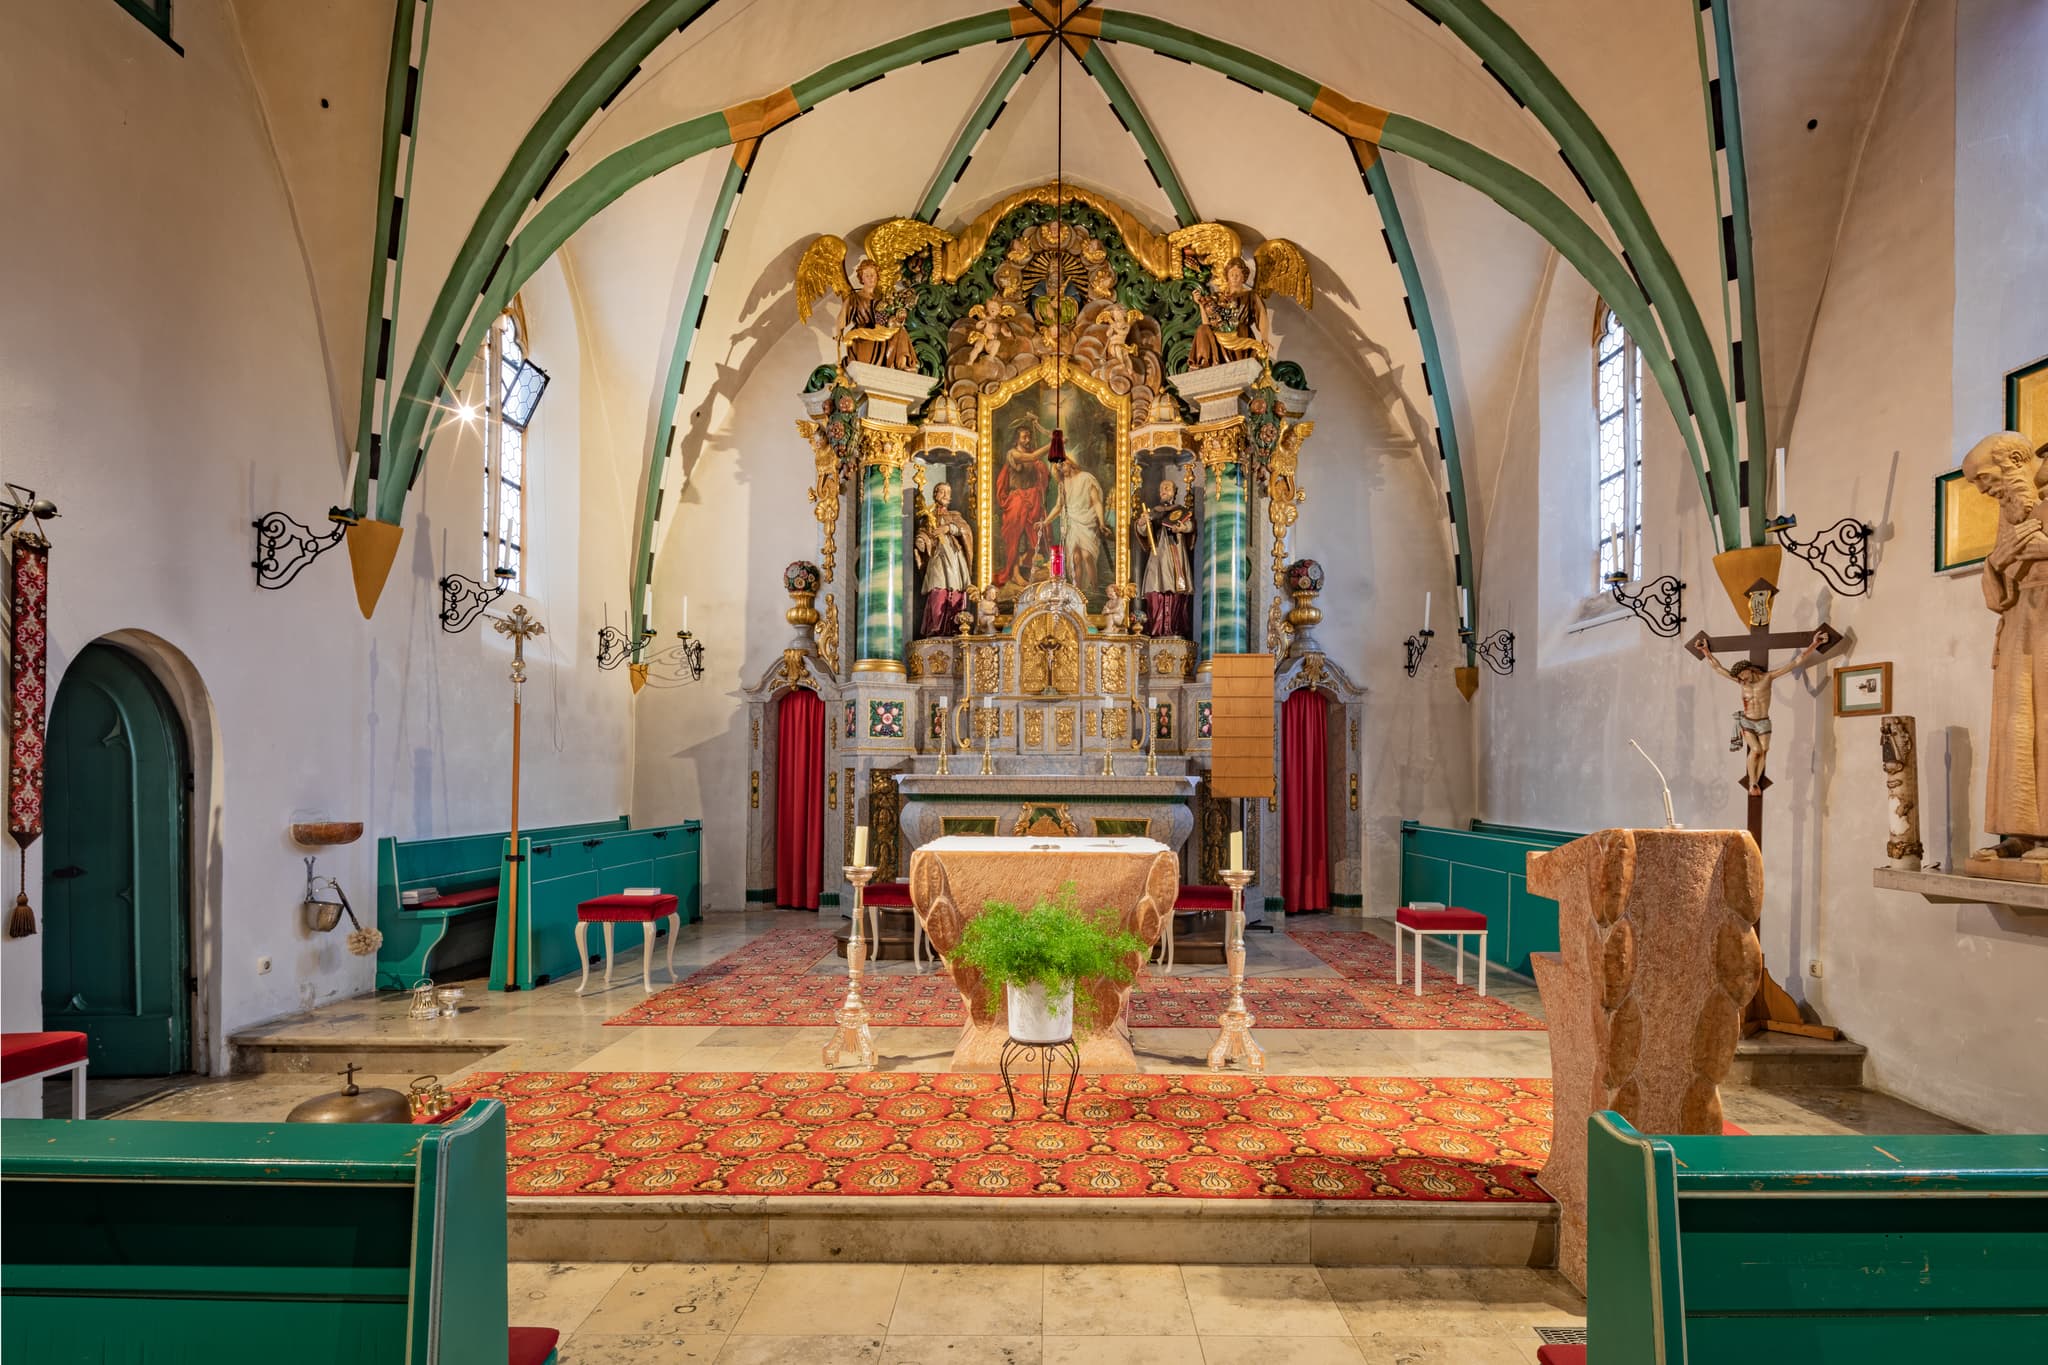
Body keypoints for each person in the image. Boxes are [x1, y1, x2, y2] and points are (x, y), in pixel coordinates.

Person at [1963, 431, 2048, 857]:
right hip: (2018, 626)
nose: (1983, 489)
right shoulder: (2013, 507)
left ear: (2016, 459)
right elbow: (1998, 593)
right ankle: (2022, 833)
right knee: (2015, 729)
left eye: (1985, 478)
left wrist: (2043, 549)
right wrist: (1995, 563)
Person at [1695, 630, 1830, 796]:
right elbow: (1718, 668)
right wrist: (1705, 651)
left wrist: (1815, 644)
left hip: (1763, 721)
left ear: (1749, 669)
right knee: (1757, 750)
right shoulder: (1741, 682)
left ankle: (1756, 783)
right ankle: (1752, 783)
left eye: (1743, 676)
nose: (1741, 680)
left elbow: (1795, 663)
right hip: (1747, 721)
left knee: (1765, 749)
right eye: (1739, 679)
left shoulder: (1768, 678)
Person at [994, 417, 1053, 586]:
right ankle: (1014, 573)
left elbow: (1039, 471)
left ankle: (1032, 567)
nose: (1027, 440)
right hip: (1016, 500)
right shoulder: (1013, 454)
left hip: (1032, 498)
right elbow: (1033, 456)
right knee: (1014, 536)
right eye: (1024, 437)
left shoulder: (1032, 458)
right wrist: (1054, 443)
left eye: (1029, 436)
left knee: (1039, 532)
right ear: (1017, 439)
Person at [1042, 453, 1110, 596]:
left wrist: (1102, 523)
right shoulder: (1062, 484)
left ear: (1070, 462)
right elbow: (1059, 506)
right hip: (1072, 522)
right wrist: (1045, 522)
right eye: (1058, 467)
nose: (1061, 468)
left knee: (1087, 555)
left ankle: (1094, 588)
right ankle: (1077, 591)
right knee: (1075, 558)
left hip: (1087, 521)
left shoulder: (1086, 478)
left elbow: (1097, 502)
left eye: (1062, 464)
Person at [914, 481, 974, 639]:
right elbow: (924, 533)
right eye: (942, 492)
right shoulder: (929, 516)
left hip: (954, 557)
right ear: (935, 494)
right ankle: (936, 627)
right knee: (937, 590)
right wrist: (921, 540)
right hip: (938, 557)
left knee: (955, 589)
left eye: (948, 492)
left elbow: (965, 530)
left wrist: (949, 528)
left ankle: (953, 626)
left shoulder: (954, 515)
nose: (946, 495)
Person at [1138, 477, 1195, 637]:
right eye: (1162, 488)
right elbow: (1143, 531)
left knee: (1175, 588)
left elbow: (1190, 525)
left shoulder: (1181, 510)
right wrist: (1142, 522)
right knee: (1155, 588)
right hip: (1158, 553)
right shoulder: (1153, 512)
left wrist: (1183, 527)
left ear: (1174, 493)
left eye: (1167, 488)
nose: (1163, 491)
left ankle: (1174, 628)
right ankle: (1156, 629)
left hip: (1174, 552)